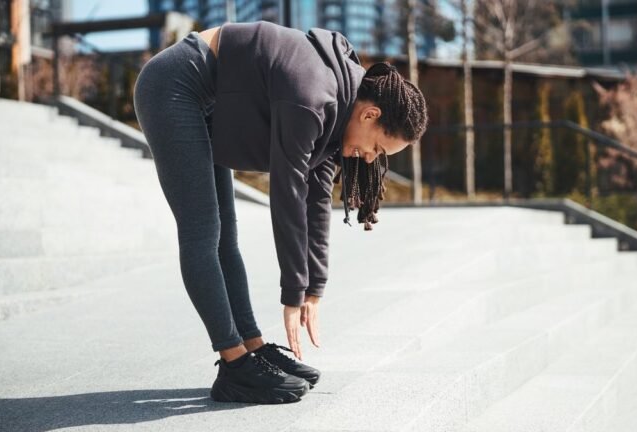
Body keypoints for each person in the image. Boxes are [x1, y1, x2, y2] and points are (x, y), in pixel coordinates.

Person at [133, 20, 428, 404]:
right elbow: (287, 193)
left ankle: (251, 346)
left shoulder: (341, 111)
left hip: (213, 104)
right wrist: (292, 291)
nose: (372, 159)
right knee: (203, 232)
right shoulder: (312, 96)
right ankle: (234, 363)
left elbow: (317, 195)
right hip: (174, 86)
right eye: (378, 150)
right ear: (370, 116)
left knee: (226, 236)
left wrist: (314, 287)